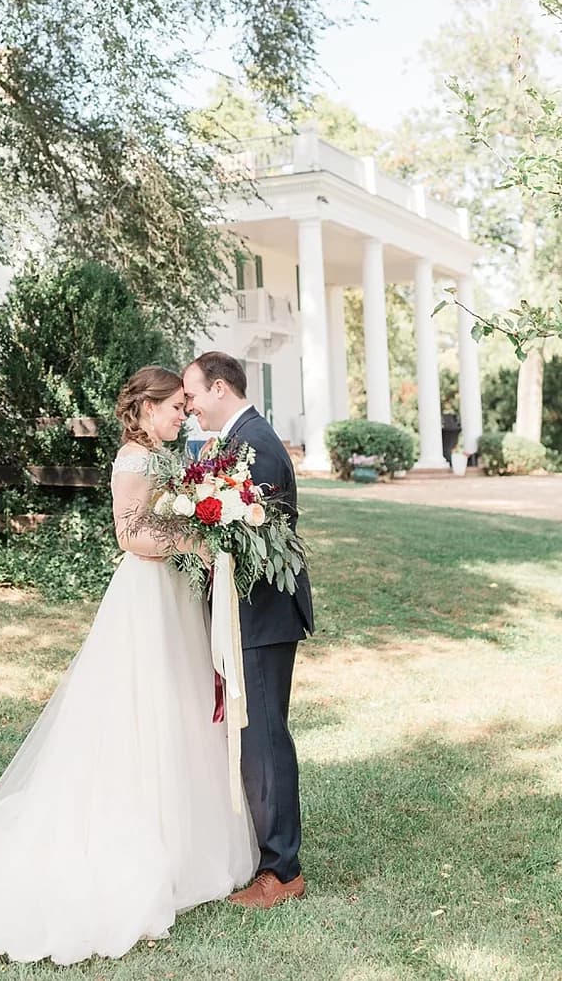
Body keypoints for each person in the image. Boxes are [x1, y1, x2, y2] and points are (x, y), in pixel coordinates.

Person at [0, 365, 257, 964]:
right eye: (175, 406)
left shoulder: (162, 458)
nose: (183, 415)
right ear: (147, 409)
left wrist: (199, 518)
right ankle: (149, 839)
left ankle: (188, 837)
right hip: (145, 596)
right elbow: (131, 536)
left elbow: (162, 520)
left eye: (184, 405)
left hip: (171, 595)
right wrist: (197, 537)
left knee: (178, 702)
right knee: (143, 703)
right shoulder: (134, 461)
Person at [182, 349, 315, 908]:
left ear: (219, 388)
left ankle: (282, 872)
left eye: (191, 395)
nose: (189, 408)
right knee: (254, 735)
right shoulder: (239, 439)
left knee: (263, 740)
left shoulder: (254, 445)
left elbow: (251, 536)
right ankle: (268, 857)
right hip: (247, 614)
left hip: (260, 614)